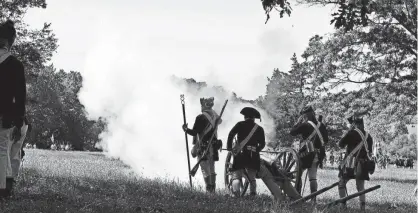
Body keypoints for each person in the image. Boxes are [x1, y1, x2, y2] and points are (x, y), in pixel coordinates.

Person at [0, 20, 26, 198]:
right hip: (5, 115)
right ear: (11, 41)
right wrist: (18, 121)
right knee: (2, 151)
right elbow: (20, 97)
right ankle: (3, 189)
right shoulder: (15, 65)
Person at [182, 97, 222, 193]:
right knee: (212, 168)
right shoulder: (215, 116)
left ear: (203, 106)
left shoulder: (200, 117)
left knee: (205, 169)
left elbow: (195, 132)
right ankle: (213, 189)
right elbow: (220, 121)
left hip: (203, 146)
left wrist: (186, 129)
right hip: (213, 145)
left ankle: (209, 190)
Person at [290, 105, 328, 203]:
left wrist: (298, 123)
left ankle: (297, 196)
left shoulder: (304, 125)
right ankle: (313, 199)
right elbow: (326, 140)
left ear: (304, 115)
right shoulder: (321, 125)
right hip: (317, 154)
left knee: (298, 174)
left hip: (304, 154)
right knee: (312, 177)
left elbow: (292, 132)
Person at [226, 107, 265, 197]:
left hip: (241, 154)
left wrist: (229, 147)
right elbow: (262, 144)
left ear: (245, 117)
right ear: (254, 118)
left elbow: (231, 134)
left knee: (236, 175)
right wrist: (256, 150)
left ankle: (236, 196)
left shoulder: (240, 124)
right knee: (252, 178)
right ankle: (252, 195)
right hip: (253, 156)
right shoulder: (259, 129)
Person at [337, 115, 374, 211]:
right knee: (360, 186)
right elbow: (369, 151)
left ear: (354, 124)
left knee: (341, 182)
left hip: (350, 163)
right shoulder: (368, 136)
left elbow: (340, 144)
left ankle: (343, 206)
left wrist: (349, 131)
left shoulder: (351, 133)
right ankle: (362, 208)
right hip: (363, 164)